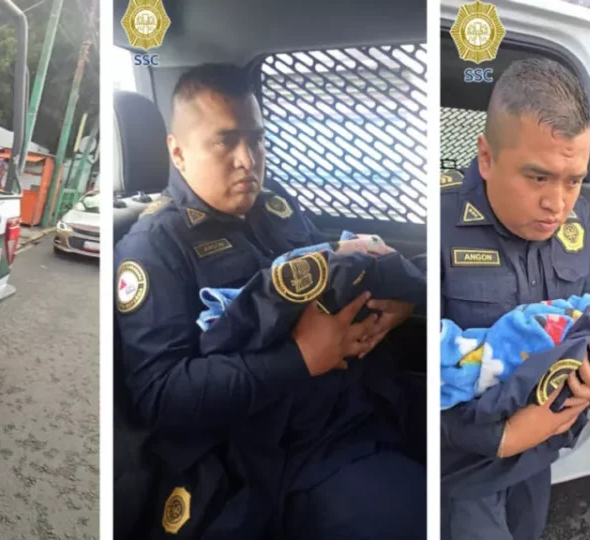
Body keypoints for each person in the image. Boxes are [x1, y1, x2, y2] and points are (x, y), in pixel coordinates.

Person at [114, 63, 426, 539]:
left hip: (365, 403)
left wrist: (398, 302)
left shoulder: (274, 203)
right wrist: (300, 358)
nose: (248, 159)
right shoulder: (153, 247)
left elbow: (336, 271)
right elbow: (161, 393)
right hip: (281, 453)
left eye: (256, 140)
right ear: (177, 152)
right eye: (226, 141)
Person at [439, 57, 590, 540]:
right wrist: (502, 436)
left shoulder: (579, 218)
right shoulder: (439, 222)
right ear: (486, 158)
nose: (557, 204)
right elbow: (407, 379)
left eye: (573, 180)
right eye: (538, 177)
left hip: (541, 453)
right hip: (462, 471)